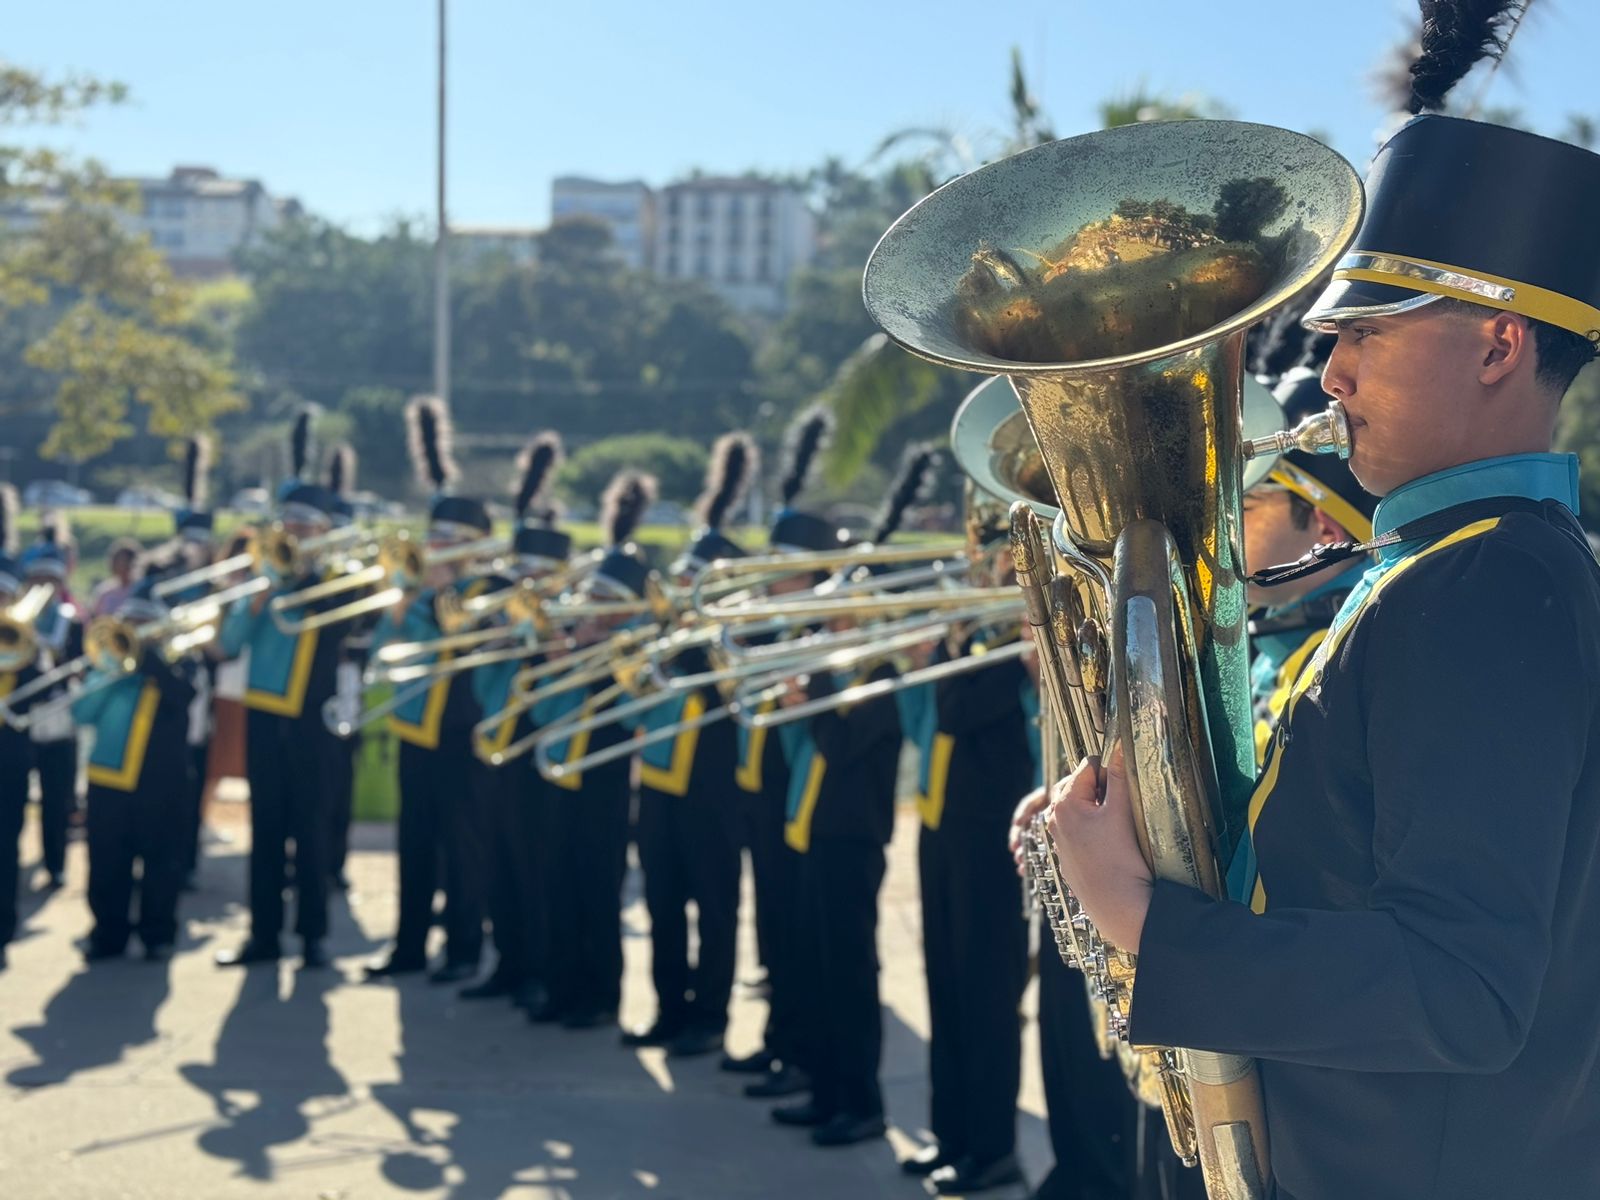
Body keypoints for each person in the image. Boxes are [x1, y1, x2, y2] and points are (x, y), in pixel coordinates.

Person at [1044, 111, 1600, 1200]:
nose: (1330, 373)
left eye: (1368, 333)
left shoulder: (1489, 579)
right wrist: (1129, 828)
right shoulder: (1454, 562)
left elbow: (1460, 990)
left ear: (1497, 343)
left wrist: (1146, 921)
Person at [898, 482, 1031, 1196]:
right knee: (944, 986)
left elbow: (956, 708)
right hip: (940, 823)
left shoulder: (1011, 637)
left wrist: (953, 635)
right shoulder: (975, 632)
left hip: (988, 836)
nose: (983, 565)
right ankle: (949, 1134)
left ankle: (991, 1148)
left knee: (984, 993)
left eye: (995, 553)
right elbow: (924, 715)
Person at [620, 434, 756, 1059]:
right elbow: (631, 704)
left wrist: (709, 639)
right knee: (664, 902)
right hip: (658, 784)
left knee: (715, 905)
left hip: (715, 793)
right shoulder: (663, 637)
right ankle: (669, 1008)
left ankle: (710, 1016)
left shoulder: (740, 642)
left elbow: (741, 702)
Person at [214, 411, 347, 970]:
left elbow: (342, 629)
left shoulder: (336, 583)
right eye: (288, 526)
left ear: (322, 533)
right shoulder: (263, 582)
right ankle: (263, 935)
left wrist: (307, 580)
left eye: (305, 527)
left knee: (311, 828)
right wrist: (255, 597)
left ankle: (313, 935)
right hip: (266, 713)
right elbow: (229, 645)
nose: (294, 535)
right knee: (265, 828)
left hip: (313, 716)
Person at [366, 398, 489, 984]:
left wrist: (437, 598)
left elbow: (464, 642)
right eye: (432, 537)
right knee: (413, 842)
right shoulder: (416, 590)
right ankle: (408, 943)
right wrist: (401, 610)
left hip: (464, 732)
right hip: (416, 726)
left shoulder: (484, 591)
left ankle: (463, 946)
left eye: (447, 539)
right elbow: (384, 658)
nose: (434, 548)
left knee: (460, 845)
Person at [532, 470, 656, 1030]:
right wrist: (557, 667)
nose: (591, 610)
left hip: (603, 784)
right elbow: (536, 715)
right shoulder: (574, 645)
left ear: (627, 609)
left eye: (604, 601)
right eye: (592, 598)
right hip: (560, 778)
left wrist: (603, 664)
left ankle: (600, 996)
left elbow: (638, 715)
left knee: (597, 889)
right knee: (558, 884)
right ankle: (561, 986)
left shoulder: (632, 653)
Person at [461, 430, 566, 1008]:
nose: (525, 584)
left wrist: (537, 638)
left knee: (535, 863)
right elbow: (482, 686)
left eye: (537, 573)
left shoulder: (560, 622)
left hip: (541, 753)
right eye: (520, 572)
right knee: (496, 858)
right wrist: (500, 637)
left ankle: (538, 968)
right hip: (498, 744)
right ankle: (505, 959)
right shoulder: (501, 615)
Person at [72, 577, 196, 963]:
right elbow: (81, 713)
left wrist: (152, 664)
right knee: (107, 860)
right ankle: (107, 933)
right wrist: (109, 673)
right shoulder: (106, 665)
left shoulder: (180, 664)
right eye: (131, 623)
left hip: (161, 783)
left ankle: (157, 934)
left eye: (145, 625)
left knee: (161, 860)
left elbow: (185, 699)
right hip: (109, 778)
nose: (137, 632)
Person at [19, 519, 82, 892]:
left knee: (56, 794)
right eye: (37, 579)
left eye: (50, 580)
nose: (43, 587)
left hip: (58, 714)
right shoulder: (14, 620)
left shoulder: (71, 621)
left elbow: (80, 667)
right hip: (21, 715)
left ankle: (55, 864)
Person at [88, 539, 141, 619]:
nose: (122, 567)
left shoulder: (140, 590)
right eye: (119, 563)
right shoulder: (104, 593)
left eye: (126, 563)